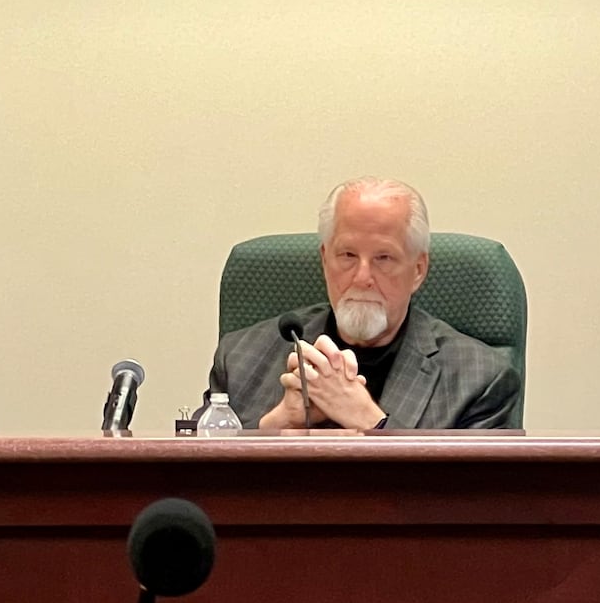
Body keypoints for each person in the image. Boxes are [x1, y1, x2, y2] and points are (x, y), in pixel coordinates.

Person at [207, 177, 520, 430]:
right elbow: (196, 480)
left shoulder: (480, 379)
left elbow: (474, 501)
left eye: (383, 258)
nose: (362, 277)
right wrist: (274, 426)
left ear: (418, 270)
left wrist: (373, 422)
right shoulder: (240, 360)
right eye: (347, 256)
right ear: (324, 260)